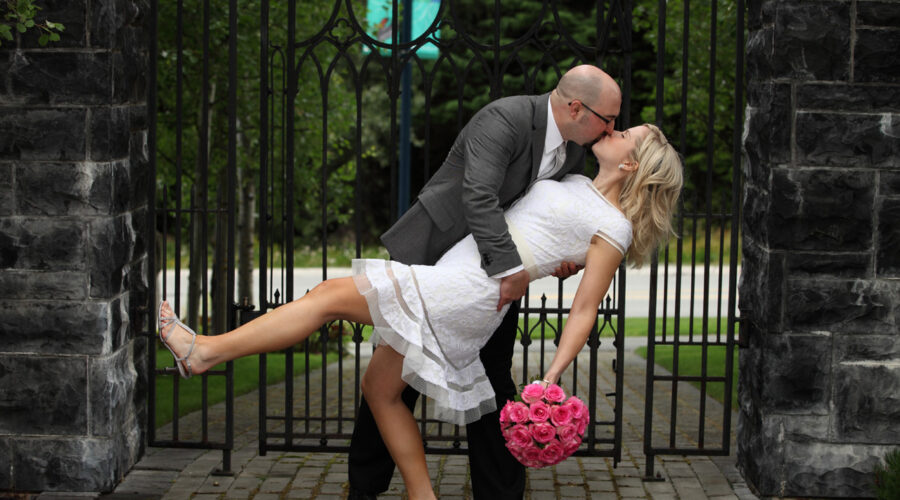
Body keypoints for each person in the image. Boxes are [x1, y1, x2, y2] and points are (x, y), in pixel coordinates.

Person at [157, 123, 683, 500]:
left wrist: (551, 375)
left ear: (631, 163)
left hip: (466, 291)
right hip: (458, 279)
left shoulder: (612, 227)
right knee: (380, 391)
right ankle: (420, 494)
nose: (611, 130)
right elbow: (535, 233)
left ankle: (203, 352)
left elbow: (585, 309)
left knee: (324, 298)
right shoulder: (571, 182)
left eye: (623, 134)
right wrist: (553, 260)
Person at [351, 64, 622, 500]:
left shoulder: (573, 153)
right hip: (439, 253)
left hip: (492, 277)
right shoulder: (506, 118)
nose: (612, 128)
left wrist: (555, 260)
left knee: (494, 377)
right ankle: (365, 490)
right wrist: (511, 270)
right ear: (577, 107)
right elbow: (478, 196)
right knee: (392, 381)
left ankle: (498, 494)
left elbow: (537, 220)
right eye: (608, 119)